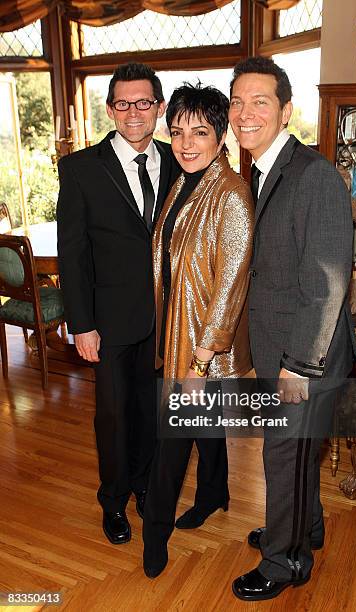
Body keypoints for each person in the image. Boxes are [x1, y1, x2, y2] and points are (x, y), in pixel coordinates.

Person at [228, 57, 356, 601]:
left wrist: (297, 366)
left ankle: (285, 561)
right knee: (296, 452)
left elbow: (327, 282)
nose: (244, 112)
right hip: (278, 343)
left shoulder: (315, 176)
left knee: (283, 455)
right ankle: (306, 526)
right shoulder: (262, 173)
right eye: (237, 102)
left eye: (260, 101)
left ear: (286, 110)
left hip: (306, 356)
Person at [57, 63, 179, 546]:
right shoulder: (82, 168)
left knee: (151, 410)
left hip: (166, 321)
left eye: (144, 102)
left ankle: (146, 486)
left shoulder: (178, 161)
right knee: (112, 415)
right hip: (106, 322)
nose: (134, 112)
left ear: (159, 108)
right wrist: (81, 324)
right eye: (123, 103)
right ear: (110, 109)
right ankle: (113, 500)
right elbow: (73, 252)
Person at [142, 83, 254, 578]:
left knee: (170, 441)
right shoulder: (183, 182)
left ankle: (155, 535)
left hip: (201, 348)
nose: (186, 143)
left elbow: (231, 283)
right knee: (206, 430)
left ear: (220, 134)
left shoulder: (229, 193)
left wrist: (199, 361)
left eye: (200, 132)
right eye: (179, 131)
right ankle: (214, 492)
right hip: (175, 332)